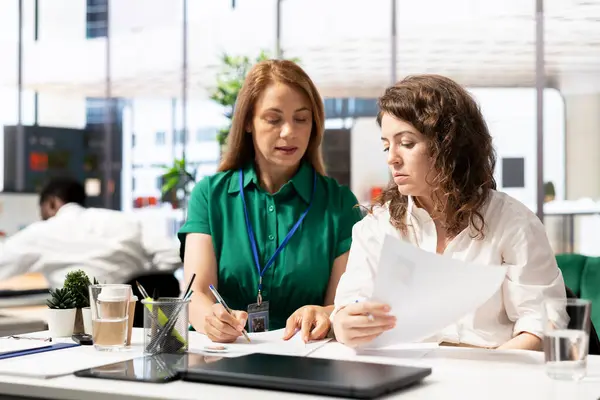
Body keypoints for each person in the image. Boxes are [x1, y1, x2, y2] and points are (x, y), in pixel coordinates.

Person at [332, 74, 567, 350]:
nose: (391, 158)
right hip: (402, 377)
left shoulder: (513, 223)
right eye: (386, 145)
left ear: (450, 145)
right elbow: (349, 308)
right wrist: (345, 325)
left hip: (492, 377)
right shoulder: (376, 227)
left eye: (406, 143)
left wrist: (489, 373)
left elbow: (543, 324)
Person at [179, 59, 363, 343]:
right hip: (224, 356)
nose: (288, 132)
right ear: (249, 122)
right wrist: (210, 320)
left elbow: (344, 303)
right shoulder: (210, 194)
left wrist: (326, 313)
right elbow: (196, 293)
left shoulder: (338, 204)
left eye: (301, 119)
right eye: (273, 119)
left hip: (305, 357)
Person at [0, 177, 181, 288]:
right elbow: (175, 254)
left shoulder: (41, 232)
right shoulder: (124, 220)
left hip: (76, 323)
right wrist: (142, 276)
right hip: (134, 316)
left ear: (52, 203)